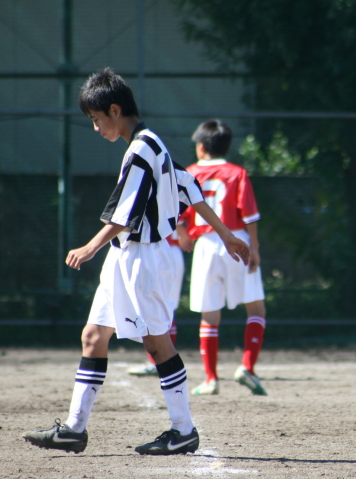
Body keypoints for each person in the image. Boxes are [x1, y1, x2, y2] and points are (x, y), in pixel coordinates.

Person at [22, 68, 249, 455]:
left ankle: (183, 431)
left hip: (145, 259)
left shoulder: (142, 149)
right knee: (94, 336)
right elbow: (190, 188)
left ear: (115, 110)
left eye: (96, 119)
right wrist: (225, 234)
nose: (96, 128)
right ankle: (74, 429)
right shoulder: (152, 144)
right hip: (125, 257)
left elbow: (124, 214)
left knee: (157, 343)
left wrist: (90, 246)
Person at [180, 119, 268, 396]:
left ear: (201, 146)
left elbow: (176, 211)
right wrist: (254, 247)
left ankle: (211, 379)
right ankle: (247, 368)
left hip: (206, 244)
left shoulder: (190, 173)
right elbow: (249, 215)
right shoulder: (237, 173)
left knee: (209, 314)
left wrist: (182, 233)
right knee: (256, 308)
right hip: (236, 240)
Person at [126, 228, 192, 376]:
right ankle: (162, 360)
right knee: (162, 308)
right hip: (164, 250)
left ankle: (158, 361)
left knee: (156, 308)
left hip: (161, 249)